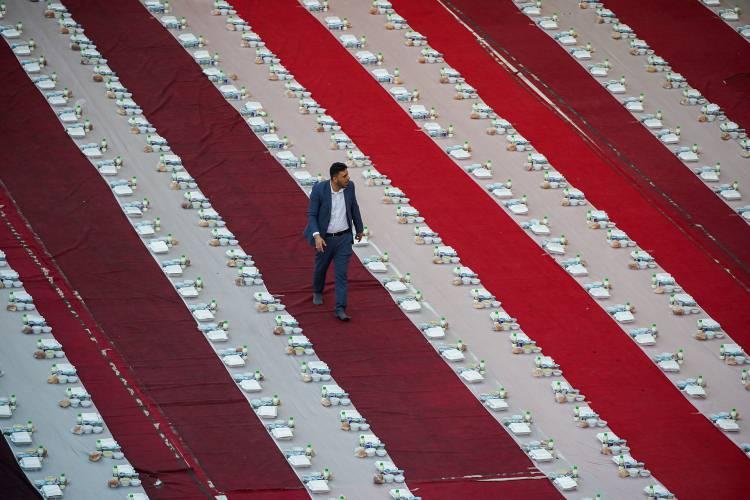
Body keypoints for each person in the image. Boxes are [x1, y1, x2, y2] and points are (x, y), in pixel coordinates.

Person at [303, 162, 364, 321]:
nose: (348, 178)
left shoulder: (350, 187)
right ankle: (318, 290)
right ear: (334, 178)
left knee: (341, 274)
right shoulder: (319, 189)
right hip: (325, 239)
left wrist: (359, 228)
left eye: (347, 174)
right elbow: (311, 214)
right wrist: (317, 236)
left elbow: (354, 207)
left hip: (344, 238)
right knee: (321, 268)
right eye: (344, 176)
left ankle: (340, 308)